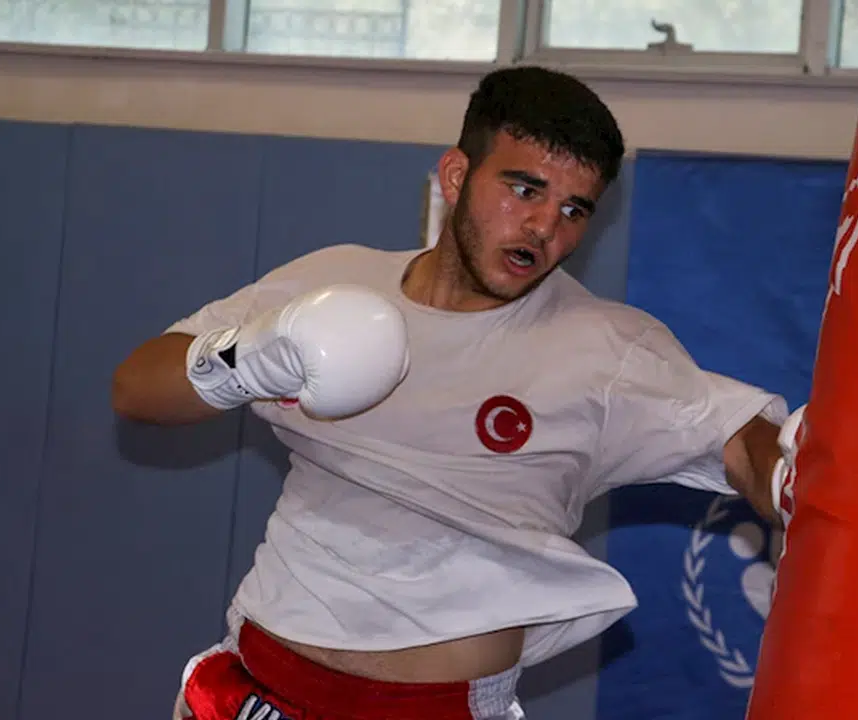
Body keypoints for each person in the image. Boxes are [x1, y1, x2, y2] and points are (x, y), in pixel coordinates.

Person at [112, 65, 802, 720]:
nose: (545, 228)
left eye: (573, 210)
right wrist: (251, 360)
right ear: (455, 176)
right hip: (260, 685)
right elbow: (136, 388)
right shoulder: (333, 281)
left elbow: (741, 440)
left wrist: (792, 479)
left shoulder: (607, 349)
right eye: (525, 190)